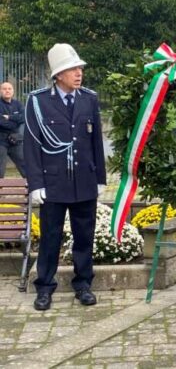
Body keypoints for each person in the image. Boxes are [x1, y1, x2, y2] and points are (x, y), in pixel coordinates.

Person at [24, 43, 106, 311]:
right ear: (58, 75)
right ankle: (45, 287)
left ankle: (83, 284)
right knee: (50, 237)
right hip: (54, 183)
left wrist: (100, 178)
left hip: (84, 180)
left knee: (85, 235)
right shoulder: (38, 101)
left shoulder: (89, 98)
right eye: (72, 69)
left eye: (79, 68)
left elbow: (96, 142)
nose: (78, 73)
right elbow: (31, 146)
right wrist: (36, 184)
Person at [0, 82, 26, 177]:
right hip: (1, 141)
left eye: (9, 89)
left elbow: (24, 117)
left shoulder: (18, 104)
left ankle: (31, 190)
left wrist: (9, 117)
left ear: (13, 91)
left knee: (26, 166)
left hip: (16, 140)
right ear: (0, 91)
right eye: (4, 89)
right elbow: (2, 122)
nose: (7, 91)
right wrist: (15, 121)